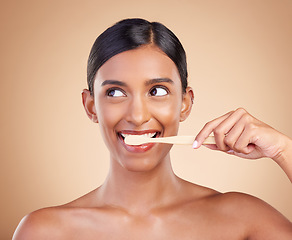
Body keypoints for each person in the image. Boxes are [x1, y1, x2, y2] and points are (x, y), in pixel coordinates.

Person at [13, 18, 292, 239]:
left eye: (157, 91)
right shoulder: (44, 231)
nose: (137, 116)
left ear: (185, 103)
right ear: (91, 106)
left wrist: (284, 150)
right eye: (115, 92)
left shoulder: (243, 220)